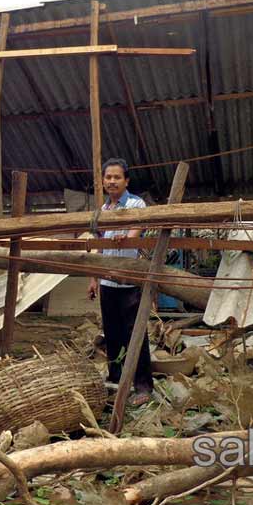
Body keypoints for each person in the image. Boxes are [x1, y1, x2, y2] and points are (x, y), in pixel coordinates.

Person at [87, 157, 154, 406]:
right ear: (103, 181)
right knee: (113, 335)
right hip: (107, 283)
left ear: (126, 180)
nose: (112, 181)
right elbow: (98, 247)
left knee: (136, 335)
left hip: (129, 283)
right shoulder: (102, 212)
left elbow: (135, 231)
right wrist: (94, 278)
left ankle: (143, 387)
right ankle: (115, 381)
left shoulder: (136, 203)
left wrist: (127, 237)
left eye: (117, 177)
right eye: (108, 177)